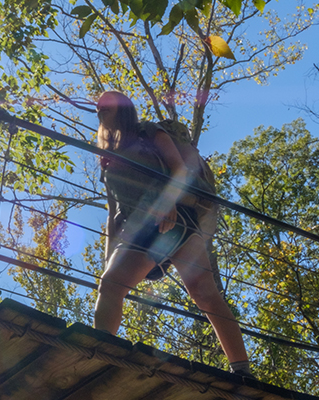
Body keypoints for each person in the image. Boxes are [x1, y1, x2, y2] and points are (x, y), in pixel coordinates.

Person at [93, 91, 253, 378]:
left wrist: (167, 204)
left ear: (124, 109)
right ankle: (243, 371)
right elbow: (113, 213)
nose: (100, 109)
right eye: (98, 107)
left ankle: (99, 354)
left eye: (107, 104)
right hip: (140, 226)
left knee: (204, 294)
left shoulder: (148, 131)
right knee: (112, 284)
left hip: (171, 218)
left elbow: (179, 168)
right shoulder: (107, 160)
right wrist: (108, 259)